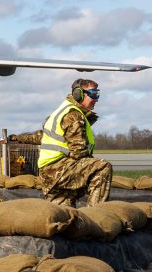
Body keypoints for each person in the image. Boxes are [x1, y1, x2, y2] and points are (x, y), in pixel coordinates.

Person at [37, 78, 112, 207]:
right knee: (102, 167)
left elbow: (41, 137)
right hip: (59, 170)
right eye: (93, 94)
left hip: (49, 173)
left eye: (97, 94)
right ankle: (96, 216)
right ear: (79, 94)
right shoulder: (73, 115)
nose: (96, 99)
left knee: (63, 216)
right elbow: (79, 153)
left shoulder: (62, 110)